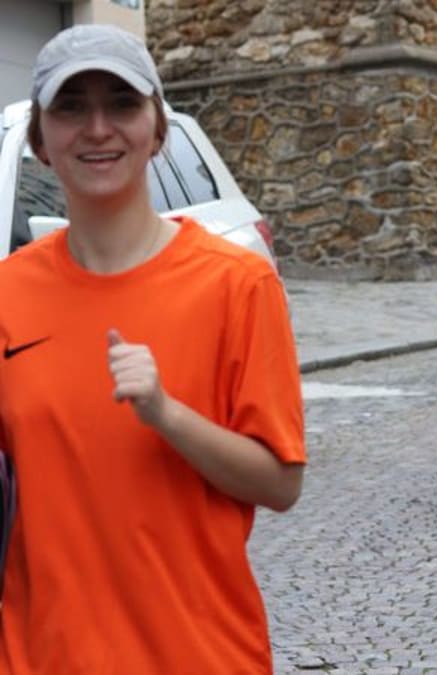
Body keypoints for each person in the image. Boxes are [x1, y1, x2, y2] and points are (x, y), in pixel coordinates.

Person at [0, 24, 306, 673]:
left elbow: (281, 483)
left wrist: (167, 414)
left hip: (198, 656)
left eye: (122, 103)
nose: (98, 128)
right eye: (71, 107)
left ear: (158, 130)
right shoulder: (8, 295)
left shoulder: (237, 284)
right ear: (40, 143)